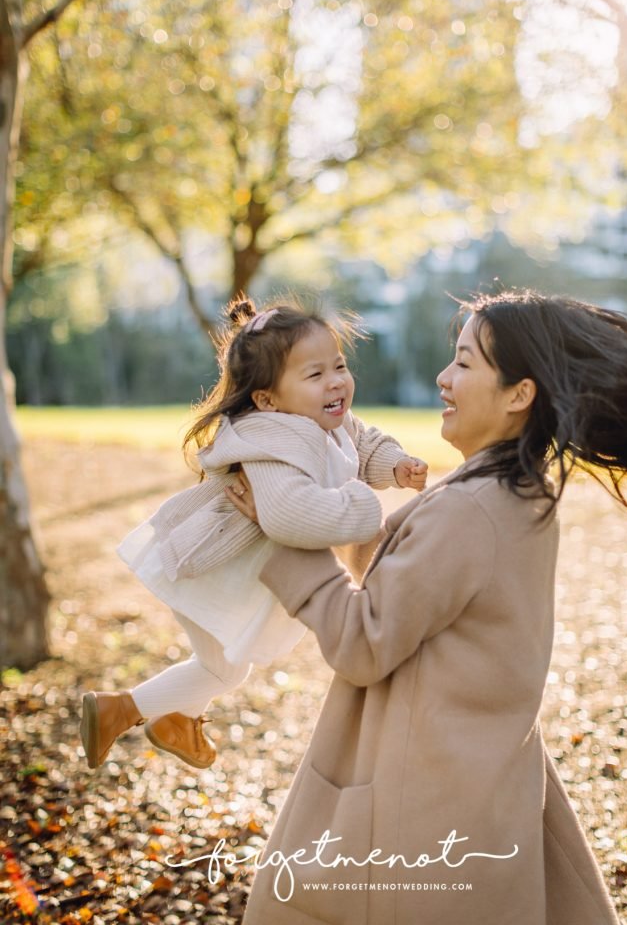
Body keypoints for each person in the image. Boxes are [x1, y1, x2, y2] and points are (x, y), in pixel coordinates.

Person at [225, 289, 627, 925]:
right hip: (473, 777)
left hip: (425, 804)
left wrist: (286, 549)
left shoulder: (473, 507)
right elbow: (410, 587)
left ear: (519, 394)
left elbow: (363, 641)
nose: (444, 377)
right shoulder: (511, 489)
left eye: (464, 363)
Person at [79, 297, 428, 773]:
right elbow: (288, 515)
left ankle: (177, 719)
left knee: (223, 663)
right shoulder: (275, 439)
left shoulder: (325, 420)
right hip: (210, 570)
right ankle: (118, 710)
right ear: (267, 399)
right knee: (224, 668)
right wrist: (366, 504)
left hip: (229, 574)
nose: (336, 382)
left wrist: (395, 465)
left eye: (339, 366)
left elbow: (362, 444)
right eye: (315, 374)